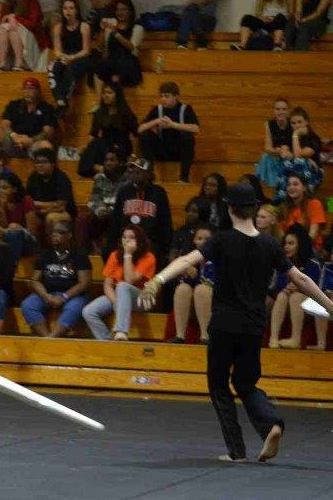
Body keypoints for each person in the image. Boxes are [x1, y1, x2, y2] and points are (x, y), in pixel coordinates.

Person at [139, 183, 333, 463]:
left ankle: (237, 451)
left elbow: (187, 259)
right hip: (254, 326)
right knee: (245, 382)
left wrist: (157, 280)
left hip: (224, 324)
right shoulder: (270, 244)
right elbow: (300, 279)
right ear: (254, 209)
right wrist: (329, 305)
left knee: (219, 385)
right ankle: (271, 424)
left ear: (229, 209)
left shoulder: (222, 240)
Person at [83, 224, 157, 341]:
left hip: (141, 298)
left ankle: (121, 331)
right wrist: (117, 302)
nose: (127, 240)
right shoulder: (115, 255)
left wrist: (128, 254)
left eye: (131, 237)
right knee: (88, 311)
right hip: (118, 296)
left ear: (140, 240)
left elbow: (129, 280)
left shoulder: (149, 257)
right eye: (124, 237)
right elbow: (107, 285)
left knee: (123, 286)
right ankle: (107, 342)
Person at [21, 220, 92, 337]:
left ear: (69, 235)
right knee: (28, 305)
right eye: (53, 232)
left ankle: (52, 338)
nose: (54, 234)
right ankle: (48, 339)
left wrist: (64, 297)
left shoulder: (79, 254)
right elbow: (34, 280)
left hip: (73, 295)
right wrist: (46, 296)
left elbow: (84, 283)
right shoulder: (45, 254)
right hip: (48, 293)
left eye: (60, 232)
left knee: (74, 307)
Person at [105, 157, 172, 265]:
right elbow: (115, 221)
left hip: (149, 242)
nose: (133, 174)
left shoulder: (158, 192)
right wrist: (113, 242)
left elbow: (165, 222)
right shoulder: (124, 191)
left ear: (148, 174)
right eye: (131, 171)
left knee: (154, 252)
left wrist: (165, 247)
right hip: (126, 240)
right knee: (107, 251)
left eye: (138, 172)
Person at [268, 225, 322, 349]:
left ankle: (295, 339)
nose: (286, 247)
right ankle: (273, 339)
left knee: (296, 297)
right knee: (282, 295)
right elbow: (275, 286)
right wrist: (287, 287)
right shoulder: (282, 262)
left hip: (309, 304)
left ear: (300, 245)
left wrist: (300, 288)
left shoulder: (313, 263)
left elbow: (319, 290)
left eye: (291, 243)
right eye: (285, 243)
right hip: (285, 302)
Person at [137, 82, 200, 183]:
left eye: (166, 96)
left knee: (188, 136)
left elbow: (196, 129)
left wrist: (172, 125)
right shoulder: (157, 109)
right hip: (161, 149)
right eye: (161, 96)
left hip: (179, 151)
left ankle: (184, 178)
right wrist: (156, 121)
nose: (163, 99)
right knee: (145, 135)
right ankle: (149, 175)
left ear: (176, 97)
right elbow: (140, 129)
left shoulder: (185, 109)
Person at [77, 82, 136, 178]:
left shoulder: (126, 113)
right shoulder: (99, 113)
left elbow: (135, 135)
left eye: (109, 93)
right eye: (104, 93)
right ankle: (100, 168)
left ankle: (100, 168)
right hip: (105, 146)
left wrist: (133, 156)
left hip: (121, 146)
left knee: (98, 144)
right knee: (94, 144)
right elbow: (93, 134)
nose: (106, 95)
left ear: (117, 95)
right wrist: (85, 148)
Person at [90, 0, 143, 105]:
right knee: (98, 68)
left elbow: (131, 47)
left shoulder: (138, 28)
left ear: (130, 11)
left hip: (129, 62)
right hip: (111, 60)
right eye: (118, 9)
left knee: (115, 75)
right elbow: (100, 46)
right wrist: (103, 29)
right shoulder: (111, 25)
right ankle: (99, 103)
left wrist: (116, 33)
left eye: (123, 9)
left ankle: (118, 106)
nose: (120, 12)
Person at [169, 223, 215, 344]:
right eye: (199, 238)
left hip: (215, 300)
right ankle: (180, 335)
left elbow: (212, 282)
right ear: (194, 241)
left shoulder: (219, 258)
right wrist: (188, 274)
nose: (203, 242)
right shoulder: (190, 259)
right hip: (194, 302)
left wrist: (197, 276)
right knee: (182, 288)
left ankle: (206, 336)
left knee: (201, 289)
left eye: (207, 239)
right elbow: (185, 281)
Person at [48, 0, 91, 115]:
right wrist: (64, 57)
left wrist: (71, 58)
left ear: (77, 10)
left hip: (80, 56)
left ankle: (64, 100)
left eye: (71, 8)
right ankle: (60, 100)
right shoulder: (58, 27)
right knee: (52, 67)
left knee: (71, 69)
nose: (68, 11)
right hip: (64, 55)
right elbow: (57, 51)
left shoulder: (84, 26)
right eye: (65, 8)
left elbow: (86, 50)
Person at [0, 77, 56, 159]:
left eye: (31, 88)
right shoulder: (14, 105)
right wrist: (13, 135)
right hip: (14, 141)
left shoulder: (46, 108)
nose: (27, 91)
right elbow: (5, 124)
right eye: (25, 88)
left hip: (33, 143)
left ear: (38, 91)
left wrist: (31, 140)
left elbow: (48, 132)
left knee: (46, 145)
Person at [0, 0, 47, 71]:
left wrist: (15, 18)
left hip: (32, 41)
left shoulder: (32, 3)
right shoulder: (7, 4)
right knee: (4, 29)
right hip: (9, 37)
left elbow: (33, 25)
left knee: (13, 29)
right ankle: (2, 62)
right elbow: (0, 23)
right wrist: (7, 17)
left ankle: (19, 62)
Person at [231, 0, 295, 51]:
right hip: (265, 22)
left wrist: (274, 18)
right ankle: (243, 45)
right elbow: (258, 12)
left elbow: (291, 14)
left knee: (280, 17)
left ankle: (277, 44)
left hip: (279, 22)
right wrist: (262, 18)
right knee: (246, 18)